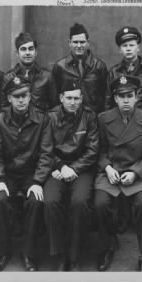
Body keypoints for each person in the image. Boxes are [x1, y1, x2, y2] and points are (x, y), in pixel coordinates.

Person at [94, 75, 142, 272]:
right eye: (121, 96)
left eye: (129, 95)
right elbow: (98, 150)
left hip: (137, 172)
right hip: (110, 172)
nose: (125, 100)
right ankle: (107, 246)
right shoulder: (103, 119)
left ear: (136, 97)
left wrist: (136, 173)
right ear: (115, 98)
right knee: (100, 204)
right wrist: (106, 167)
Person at [0, 75, 53, 272]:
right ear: (9, 98)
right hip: (8, 174)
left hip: (30, 174)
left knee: (35, 200)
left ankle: (29, 253)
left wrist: (37, 181)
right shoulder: (0, 120)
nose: (21, 100)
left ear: (30, 97)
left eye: (24, 95)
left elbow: (46, 153)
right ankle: (3, 251)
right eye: (16, 96)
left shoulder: (42, 119)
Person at [105, 27, 142, 239]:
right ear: (120, 49)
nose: (128, 49)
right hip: (121, 127)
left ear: (138, 47)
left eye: (131, 45)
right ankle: (123, 219)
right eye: (124, 46)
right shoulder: (113, 72)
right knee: (120, 169)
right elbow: (109, 102)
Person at [44, 81, 99, 271]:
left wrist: (74, 168)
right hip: (56, 169)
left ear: (82, 99)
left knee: (80, 202)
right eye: (69, 98)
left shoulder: (89, 117)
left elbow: (93, 150)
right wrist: (59, 166)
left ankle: (74, 255)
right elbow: (44, 148)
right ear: (61, 98)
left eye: (77, 98)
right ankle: (59, 254)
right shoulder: (50, 117)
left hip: (81, 169)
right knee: (50, 201)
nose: (73, 102)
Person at [51, 23, 108, 114]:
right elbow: (54, 98)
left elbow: (106, 96)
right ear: (70, 43)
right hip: (68, 120)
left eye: (82, 42)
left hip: (93, 119)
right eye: (75, 42)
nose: (78, 45)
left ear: (88, 43)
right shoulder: (60, 67)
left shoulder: (99, 66)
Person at [1, 32, 57, 111]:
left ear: (36, 52)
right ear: (17, 53)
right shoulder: (8, 77)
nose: (27, 53)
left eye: (30, 49)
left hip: (41, 122)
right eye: (23, 49)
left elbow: (54, 108)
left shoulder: (47, 77)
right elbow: (3, 108)